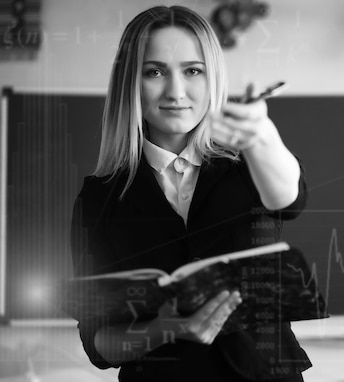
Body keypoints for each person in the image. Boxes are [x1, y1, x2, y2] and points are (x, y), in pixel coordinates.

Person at [70, 5, 310, 382]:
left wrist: (262, 134)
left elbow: (290, 201)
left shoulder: (249, 162)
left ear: (211, 77)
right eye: (154, 72)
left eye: (193, 70)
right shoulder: (99, 197)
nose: (176, 92)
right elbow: (97, 342)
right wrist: (165, 329)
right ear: (130, 82)